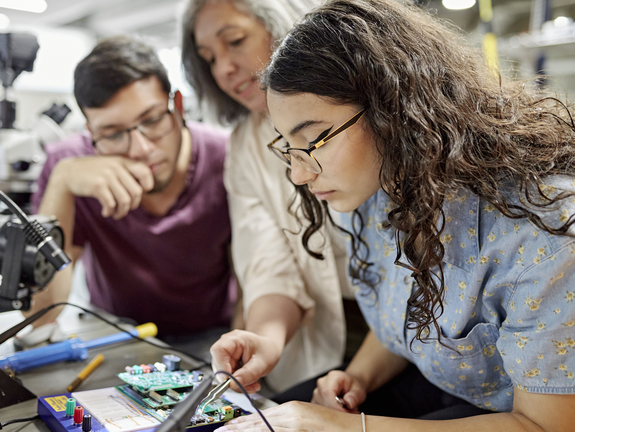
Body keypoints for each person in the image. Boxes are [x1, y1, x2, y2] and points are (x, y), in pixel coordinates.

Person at [216, 0, 575, 430]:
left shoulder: (546, 235)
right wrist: (358, 377)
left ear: (396, 109)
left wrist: (345, 427)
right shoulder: (378, 190)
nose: (298, 172)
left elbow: (547, 425)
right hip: (446, 387)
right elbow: (413, 314)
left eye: (313, 140)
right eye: (288, 147)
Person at [180, 0, 369, 395]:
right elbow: (267, 260)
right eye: (209, 58)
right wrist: (265, 339)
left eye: (235, 41)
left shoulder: (366, 115)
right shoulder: (246, 146)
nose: (224, 69)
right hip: (328, 334)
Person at [23, 35, 236, 357]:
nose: (141, 149)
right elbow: (42, 313)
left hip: (213, 338)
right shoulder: (71, 164)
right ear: (90, 131)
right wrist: (62, 183)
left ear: (177, 105)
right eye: (113, 134)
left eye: (151, 120)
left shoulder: (228, 157)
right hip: (112, 333)